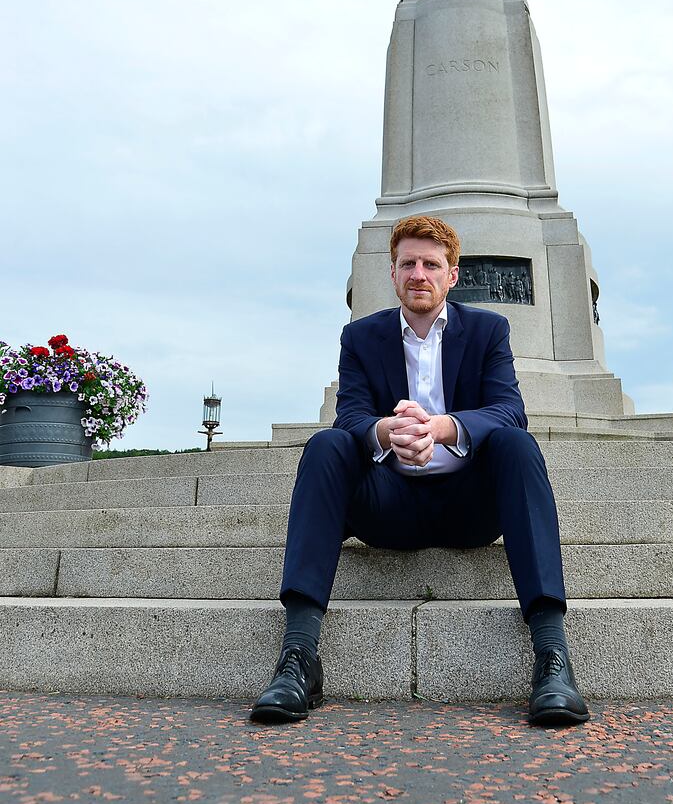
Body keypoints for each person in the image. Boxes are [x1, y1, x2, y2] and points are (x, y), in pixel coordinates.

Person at [250, 215, 589, 728]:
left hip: (469, 507)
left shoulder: (487, 330)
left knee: (518, 445)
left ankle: (552, 660)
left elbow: (506, 410)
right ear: (392, 273)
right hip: (389, 504)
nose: (419, 274)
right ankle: (298, 658)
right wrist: (389, 432)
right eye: (408, 263)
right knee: (326, 447)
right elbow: (352, 416)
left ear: (453, 275)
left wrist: (441, 427)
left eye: (432, 264)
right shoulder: (361, 338)